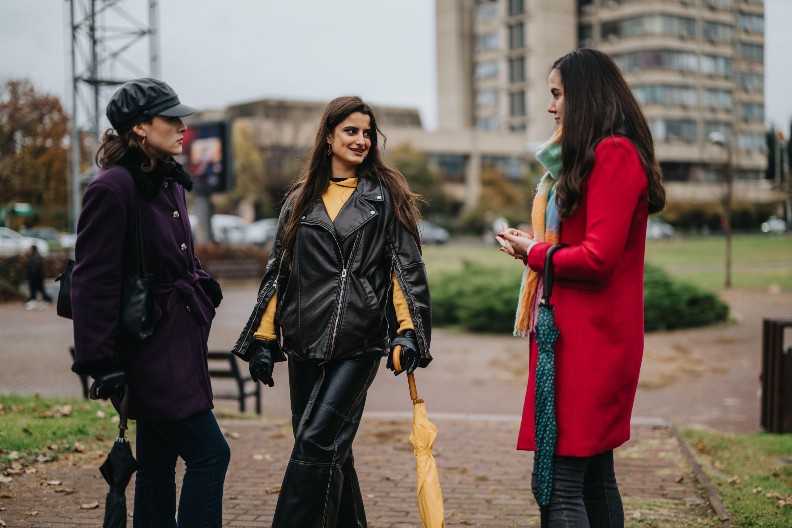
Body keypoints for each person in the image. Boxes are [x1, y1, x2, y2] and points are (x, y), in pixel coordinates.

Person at [231, 95, 432, 527]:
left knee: (316, 445)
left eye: (367, 133)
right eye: (351, 131)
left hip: (358, 345)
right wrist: (264, 340)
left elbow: (406, 270)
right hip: (304, 345)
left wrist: (408, 333)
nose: (361, 140)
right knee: (329, 451)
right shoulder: (299, 201)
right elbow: (278, 275)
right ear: (328, 137)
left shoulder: (385, 198)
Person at [497, 49, 666, 527]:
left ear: (585, 95)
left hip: (589, 344)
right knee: (592, 481)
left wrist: (531, 252)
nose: (551, 107)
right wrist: (534, 246)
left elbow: (597, 259)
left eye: (557, 94)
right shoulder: (595, 156)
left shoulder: (614, 154)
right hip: (579, 338)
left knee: (558, 488)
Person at [70, 78, 229, 527]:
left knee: (158, 464)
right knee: (211, 455)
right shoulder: (113, 187)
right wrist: (99, 360)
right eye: (171, 118)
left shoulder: (166, 181)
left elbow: (176, 256)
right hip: (148, 351)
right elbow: (93, 279)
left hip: (177, 341)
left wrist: (201, 283)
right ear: (140, 127)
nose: (183, 127)